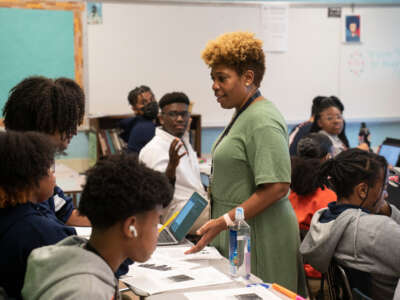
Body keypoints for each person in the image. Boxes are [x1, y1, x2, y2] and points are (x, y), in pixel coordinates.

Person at [185, 31, 307, 296]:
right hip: (240, 232)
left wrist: (225, 220)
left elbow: (276, 187)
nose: (214, 86)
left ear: (248, 77)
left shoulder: (262, 119)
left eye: (222, 78)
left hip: (263, 235)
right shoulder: (243, 114)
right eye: (213, 78)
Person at [22, 153, 173, 299]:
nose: (157, 232)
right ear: (130, 227)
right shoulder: (88, 292)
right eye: (155, 223)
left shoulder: (76, 258)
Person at [300, 149, 400, 300]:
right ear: (362, 190)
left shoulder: (325, 219)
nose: (385, 195)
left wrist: (385, 208)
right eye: (384, 188)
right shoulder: (377, 230)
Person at [2, 76, 90, 227]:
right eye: (68, 124)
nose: (74, 132)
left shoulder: (39, 167)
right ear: (43, 124)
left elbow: (68, 214)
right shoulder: (16, 179)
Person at [0, 131, 64, 299]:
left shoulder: (10, 217)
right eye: (49, 168)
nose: (53, 175)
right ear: (31, 178)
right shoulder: (38, 232)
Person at [139, 92, 210, 232]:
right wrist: (171, 168)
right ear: (161, 118)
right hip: (175, 217)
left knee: (229, 206)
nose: (179, 119)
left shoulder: (182, 140)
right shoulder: (153, 149)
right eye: (173, 114)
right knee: (228, 213)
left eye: (184, 114)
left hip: (194, 206)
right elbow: (159, 198)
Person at [289, 133, 336, 279]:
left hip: (292, 269)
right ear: (328, 158)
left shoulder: (288, 195)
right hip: (317, 276)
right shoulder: (329, 199)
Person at [119, 85, 158, 153]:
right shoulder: (144, 127)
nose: (150, 104)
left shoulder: (137, 123)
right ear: (134, 109)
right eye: (143, 102)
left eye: (152, 99)